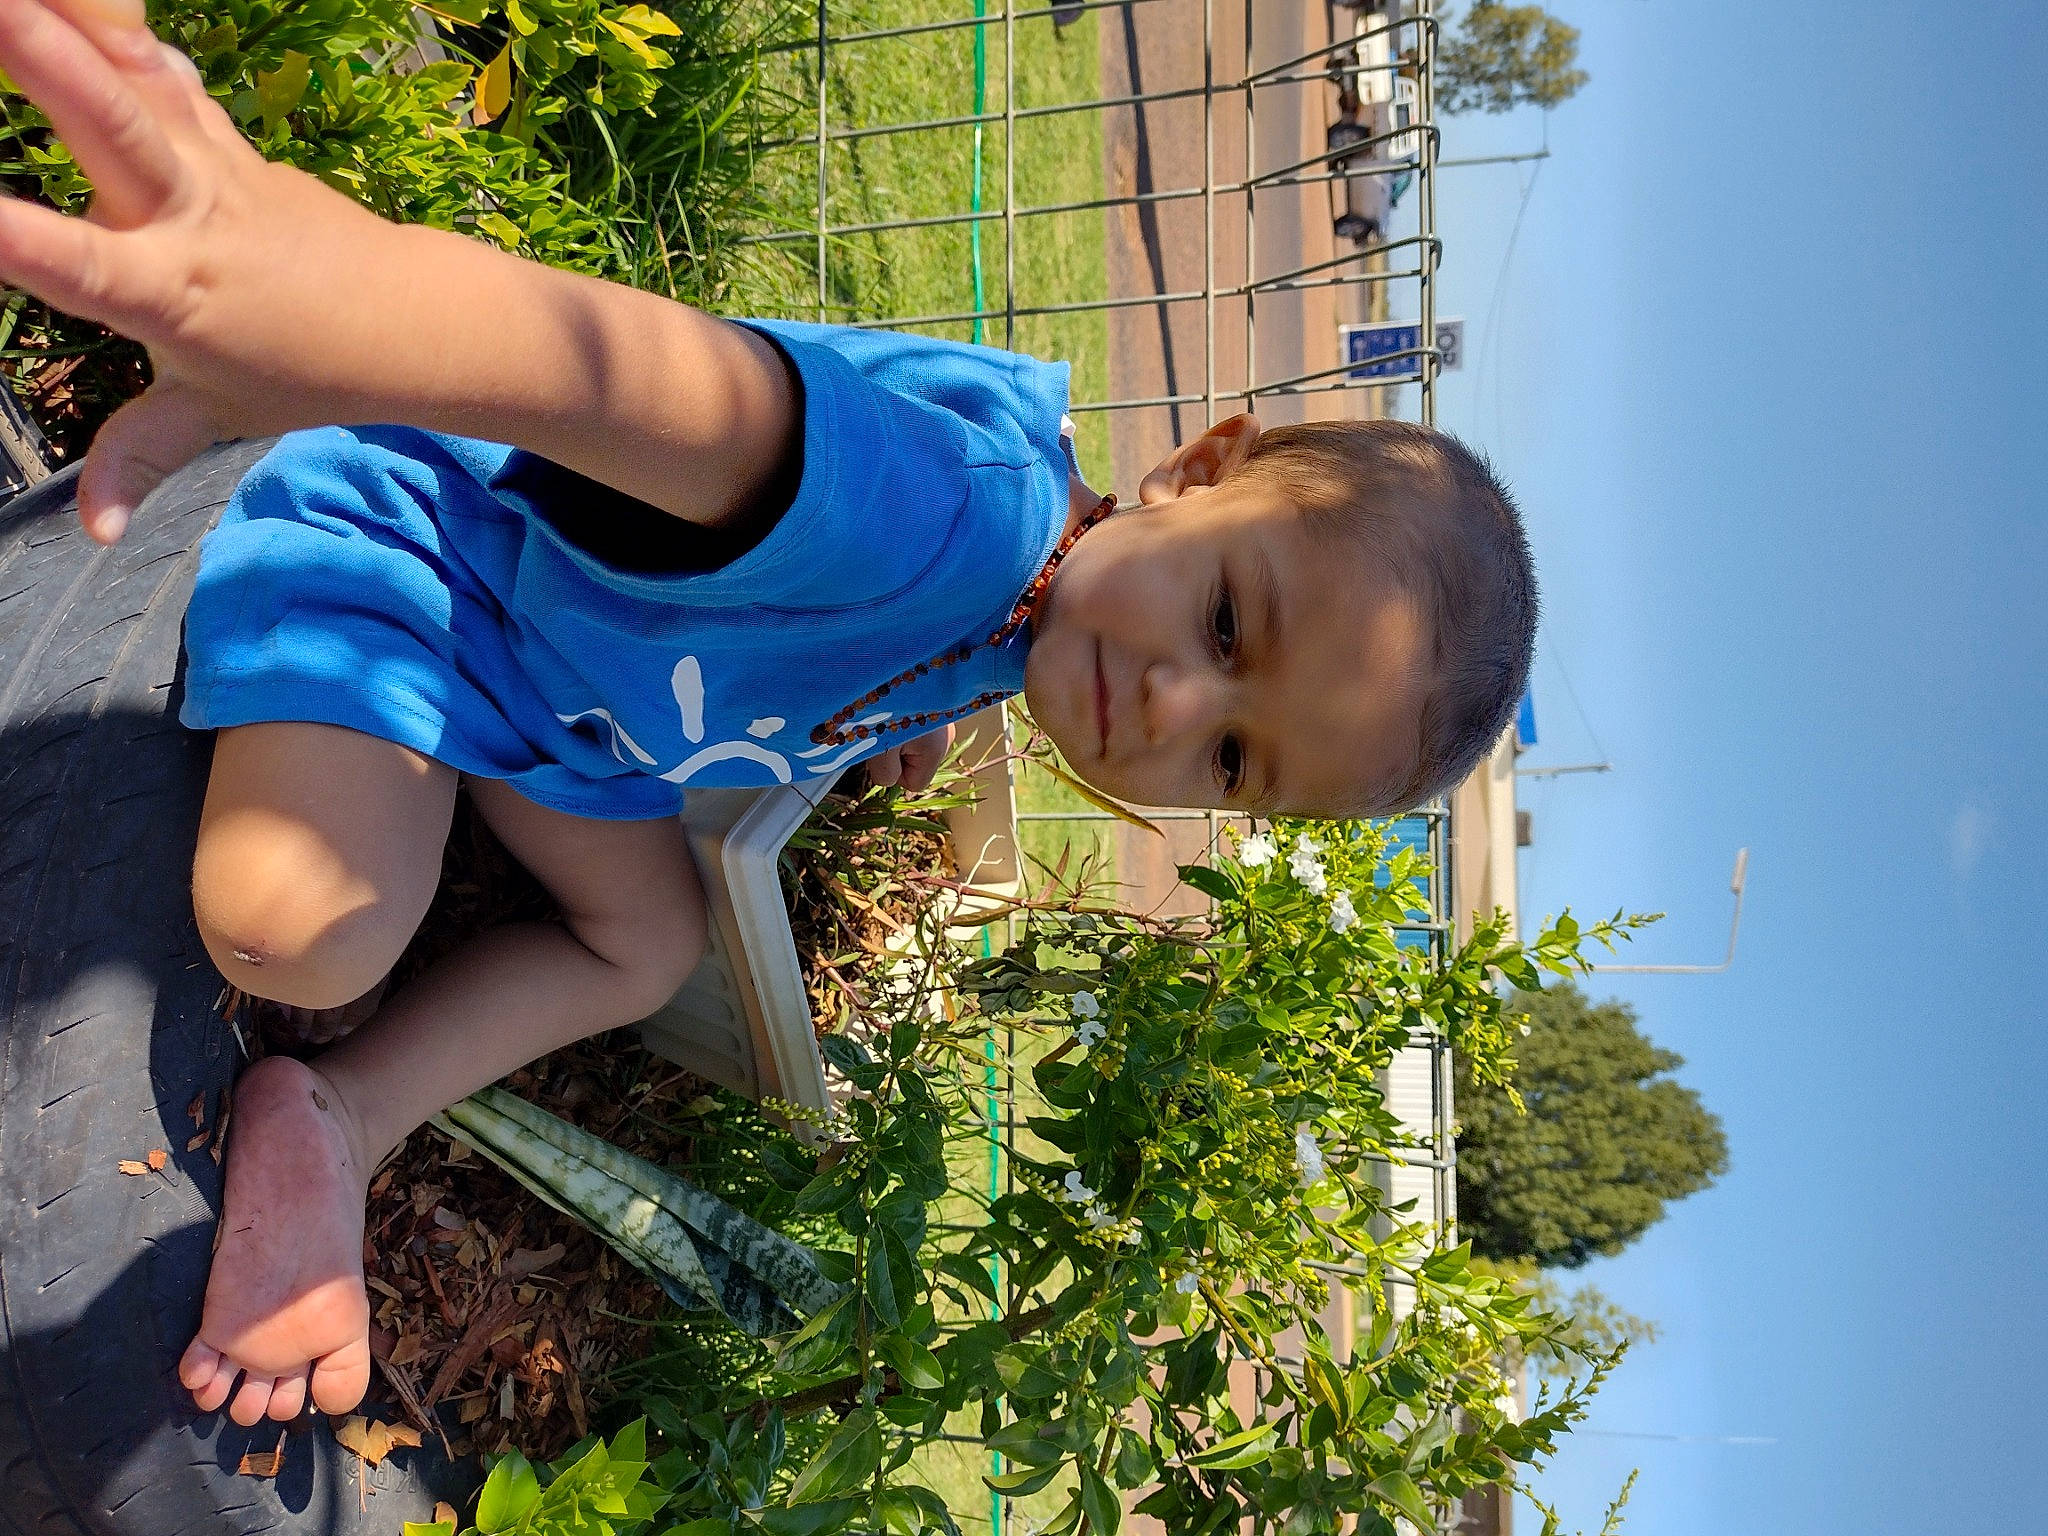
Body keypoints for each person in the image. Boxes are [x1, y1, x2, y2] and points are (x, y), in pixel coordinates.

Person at [0, 0, 1537, 1427]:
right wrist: (314, 298)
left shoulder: (1029, 596)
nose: (1171, 701)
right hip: (428, 568)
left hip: (562, 707)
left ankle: (339, 1113)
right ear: (1200, 467)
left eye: (1230, 755)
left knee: (648, 944)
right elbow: (632, 378)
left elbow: (876, 628)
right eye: (1225, 623)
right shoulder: (955, 515)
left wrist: (900, 723)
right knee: (297, 928)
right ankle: (335, 953)